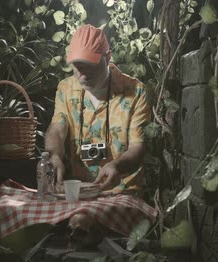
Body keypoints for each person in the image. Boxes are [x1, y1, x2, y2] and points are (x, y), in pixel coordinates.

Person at [45, 24, 152, 194]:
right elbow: (57, 130)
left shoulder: (136, 91)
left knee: (81, 221)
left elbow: (137, 146)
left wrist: (116, 165)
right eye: (78, 67)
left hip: (122, 190)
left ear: (108, 58)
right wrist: (54, 155)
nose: (84, 75)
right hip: (78, 189)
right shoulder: (65, 88)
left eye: (91, 66)